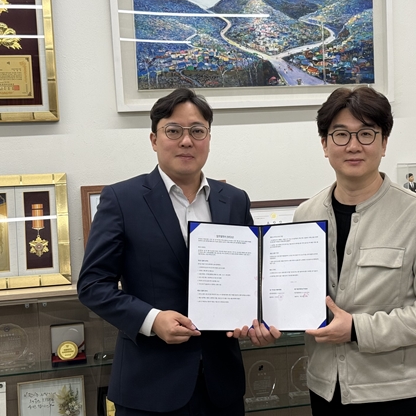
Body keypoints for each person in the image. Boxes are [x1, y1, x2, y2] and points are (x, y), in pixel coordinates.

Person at [78, 88, 279, 416]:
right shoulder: (122, 199)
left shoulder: (234, 200)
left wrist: (262, 319)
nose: (186, 141)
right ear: (154, 139)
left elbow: (251, 278)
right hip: (149, 386)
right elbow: (92, 286)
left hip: (221, 387)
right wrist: (152, 319)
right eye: (173, 131)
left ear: (208, 139)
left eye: (197, 131)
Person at [293, 86, 416, 416]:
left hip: (397, 396)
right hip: (325, 391)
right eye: (341, 134)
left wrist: (358, 329)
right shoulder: (305, 215)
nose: (353, 145)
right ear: (325, 144)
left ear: (384, 143)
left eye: (366, 133)